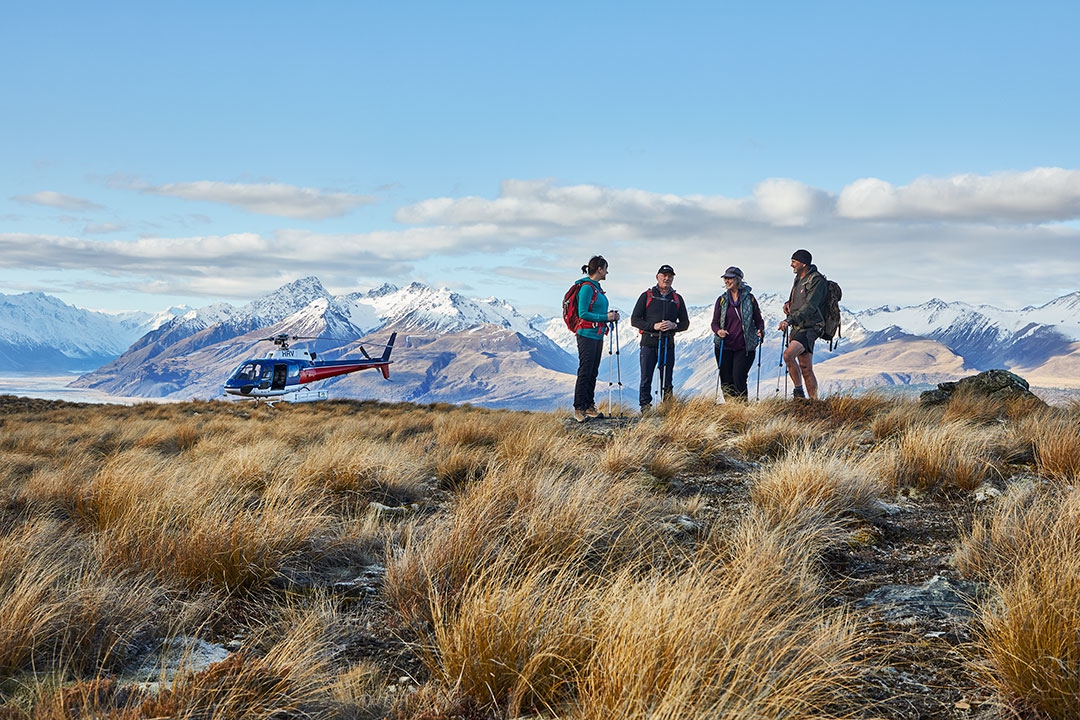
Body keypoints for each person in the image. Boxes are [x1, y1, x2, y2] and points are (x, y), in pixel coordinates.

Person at [631, 264, 690, 411]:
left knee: (667, 378)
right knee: (646, 377)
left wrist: (674, 326)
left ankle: (667, 407)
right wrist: (654, 326)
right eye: (664, 275)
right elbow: (635, 320)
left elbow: (685, 323)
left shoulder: (677, 299)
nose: (667, 278)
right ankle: (645, 407)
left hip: (667, 343)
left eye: (670, 276)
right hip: (649, 342)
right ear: (657, 277)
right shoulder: (647, 296)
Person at [573, 256, 620, 422]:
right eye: (606, 268)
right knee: (585, 370)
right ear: (599, 269)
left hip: (597, 335)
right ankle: (579, 408)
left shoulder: (597, 288)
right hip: (586, 334)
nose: (607, 271)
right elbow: (583, 313)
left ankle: (588, 405)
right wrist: (606, 317)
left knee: (592, 371)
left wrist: (608, 317)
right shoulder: (587, 288)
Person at [778, 249, 827, 399]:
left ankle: (798, 392)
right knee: (806, 367)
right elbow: (797, 300)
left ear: (803, 263)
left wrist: (789, 320)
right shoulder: (799, 278)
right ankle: (814, 403)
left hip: (810, 327)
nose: (791, 264)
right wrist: (788, 304)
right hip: (798, 327)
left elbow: (810, 306)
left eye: (794, 262)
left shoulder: (817, 281)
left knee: (788, 355)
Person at [711, 266, 765, 400]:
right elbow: (714, 323)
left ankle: (742, 408)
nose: (727, 281)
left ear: (738, 280)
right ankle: (731, 408)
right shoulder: (722, 300)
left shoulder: (750, 299)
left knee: (738, 377)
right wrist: (718, 331)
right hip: (724, 345)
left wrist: (760, 330)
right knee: (725, 378)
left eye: (730, 278)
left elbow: (758, 319)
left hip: (744, 346)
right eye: (726, 278)